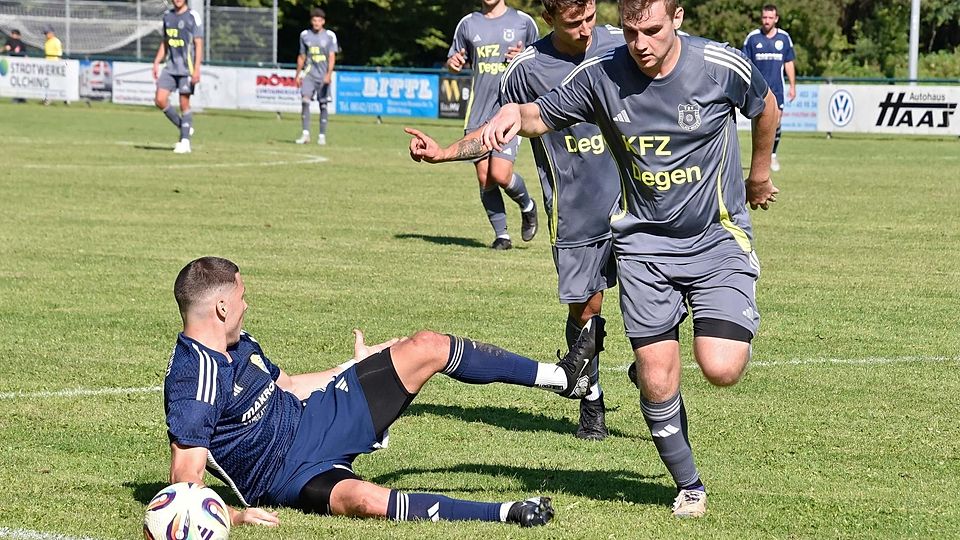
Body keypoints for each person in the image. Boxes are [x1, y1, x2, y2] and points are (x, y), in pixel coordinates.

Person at [429, 0, 779, 518]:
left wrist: (759, 174)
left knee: (721, 367)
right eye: (633, 32)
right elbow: (536, 115)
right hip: (642, 244)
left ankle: (679, 341)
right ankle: (689, 485)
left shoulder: (718, 64)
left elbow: (765, 105)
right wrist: (503, 119)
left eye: (652, 31)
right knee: (656, 377)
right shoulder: (601, 73)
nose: (640, 44)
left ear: (678, 19)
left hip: (714, 239)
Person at [164, 256, 604, 528]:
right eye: (243, 297)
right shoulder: (194, 380)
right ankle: (507, 512)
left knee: (426, 345)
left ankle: (563, 378)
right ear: (221, 306)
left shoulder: (237, 343)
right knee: (363, 499)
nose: (247, 305)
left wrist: (352, 367)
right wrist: (236, 516)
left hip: (318, 415)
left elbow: (289, 386)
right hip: (288, 475)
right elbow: (185, 483)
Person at [406, 0, 623, 440]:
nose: (586, 30)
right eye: (573, 23)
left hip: (636, 200)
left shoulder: (624, 45)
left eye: (590, 18)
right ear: (549, 19)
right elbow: (493, 130)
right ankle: (591, 397)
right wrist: (443, 152)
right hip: (574, 209)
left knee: (655, 301)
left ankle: (651, 374)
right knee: (587, 308)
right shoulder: (525, 70)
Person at [447, 0, 540, 250]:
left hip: (509, 109)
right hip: (478, 111)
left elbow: (543, 61)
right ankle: (502, 236)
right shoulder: (467, 24)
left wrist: (523, 58)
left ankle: (528, 205)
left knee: (500, 174)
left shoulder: (523, 22)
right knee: (484, 178)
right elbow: (454, 60)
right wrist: (453, 64)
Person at [742, 3, 796, 172]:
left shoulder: (784, 38)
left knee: (776, 122)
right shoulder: (752, 38)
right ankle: (759, 158)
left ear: (776, 19)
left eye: (770, 18)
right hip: (758, 89)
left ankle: (772, 155)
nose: (767, 21)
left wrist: (792, 86)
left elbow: (789, 63)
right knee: (759, 124)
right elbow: (745, 63)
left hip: (777, 88)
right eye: (764, 17)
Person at [152, 0, 203, 154]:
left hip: (187, 69)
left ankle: (185, 142)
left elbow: (198, 44)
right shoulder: (167, 16)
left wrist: (197, 69)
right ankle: (184, 127)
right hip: (170, 67)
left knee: (184, 104)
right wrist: (156, 61)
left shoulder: (193, 16)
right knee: (160, 100)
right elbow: (165, 42)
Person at [295, 8, 339, 146]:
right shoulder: (305, 35)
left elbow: (332, 56)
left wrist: (329, 74)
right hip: (309, 74)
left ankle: (322, 136)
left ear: (323, 22)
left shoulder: (330, 36)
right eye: (314, 20)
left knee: (323, 105)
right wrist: (298, 75)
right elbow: (302, 56)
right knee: (305, 101)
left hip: (323, 75)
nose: (316, 23)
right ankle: (305, 134)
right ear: (311, 21)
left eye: (319, 20)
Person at [3, 29, 26, 104]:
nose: (14, 35)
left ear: (19, 35)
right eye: (13, 34)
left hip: (19, 65)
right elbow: (5, 48)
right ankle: (17, 97)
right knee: (14, 81)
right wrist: (5, 48)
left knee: (19, 81)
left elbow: (24, 54)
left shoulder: (21, 43)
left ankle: (21, 98)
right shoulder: (9, 41)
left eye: (15, 34)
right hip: (12, 65)